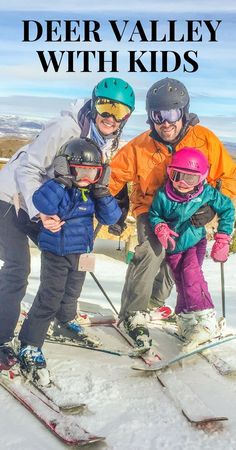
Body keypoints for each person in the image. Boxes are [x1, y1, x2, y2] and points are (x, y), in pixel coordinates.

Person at [0, 77, 135, 370]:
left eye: (119, 111)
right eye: (105, 106)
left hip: (50, 205)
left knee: (74, 256)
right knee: (17, 269)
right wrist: (40, 213)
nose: (110, 116)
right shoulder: (66, 129)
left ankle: (63, 317)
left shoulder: (106, 140)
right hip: (11, 199)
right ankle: (1, 339)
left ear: (127, 117)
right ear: (93, 104)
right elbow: (29, 168)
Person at [109, 77, 236, 349]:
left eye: (171, 114)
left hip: (190, 211)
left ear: (184, 112)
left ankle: (155, 303)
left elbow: (229, 177)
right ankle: (133, 312)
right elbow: (112, 178)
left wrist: (213, 208)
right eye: (157, 115)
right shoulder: (140, 146)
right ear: (150, 117)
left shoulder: (205, 140)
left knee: (177, 258)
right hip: (152, 210)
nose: (165, 122)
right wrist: (101, 206)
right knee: (152, 250)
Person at [16, 137, 121, 382]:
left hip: (80, 252)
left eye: (92, 172)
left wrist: (103, 191)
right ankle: (30, 342)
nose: (85, 177)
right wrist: (61, 181)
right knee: (50, 296)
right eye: (79, 170)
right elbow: (41, 202)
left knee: (72, 292)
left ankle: (64, 321)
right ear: (67, 167)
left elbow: (110, 218)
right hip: (56, 252)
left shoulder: (94, 193)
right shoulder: (59, 188)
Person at [149, 147, 234, 350]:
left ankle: (206, 319)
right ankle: (187, 321)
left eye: (191, 179)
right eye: (177, 176)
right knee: (181, 281)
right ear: (170, 173)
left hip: (195, 241)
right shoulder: (163, 195)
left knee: (191, 275)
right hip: (173, 246)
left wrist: (223, 238)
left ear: (202, 178)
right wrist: (160, 227)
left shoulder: (208, 194)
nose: (182, 183)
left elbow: (228, 208)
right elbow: (154, 214)